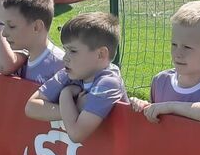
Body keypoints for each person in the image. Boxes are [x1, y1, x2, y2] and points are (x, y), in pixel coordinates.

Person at [25, 12, 126, 143]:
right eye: (65, 50)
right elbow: (31, 107)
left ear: (101, 54)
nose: (65, 57)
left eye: (73, 51)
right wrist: (74, 109)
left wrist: (65, 95)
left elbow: (76, 134)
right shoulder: (70, 73)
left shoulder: (109, 83)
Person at [130, 1, 200, 124]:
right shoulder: (160, 81)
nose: (177, 53)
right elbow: (155, 123)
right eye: (174, 45)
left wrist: (170, 107)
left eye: (187, 47)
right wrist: (144, 107)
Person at [0, 0, 65, 82]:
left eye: (12, 26)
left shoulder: (60, 65)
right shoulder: (20, 63)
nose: (4, 33)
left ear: (36, 27)